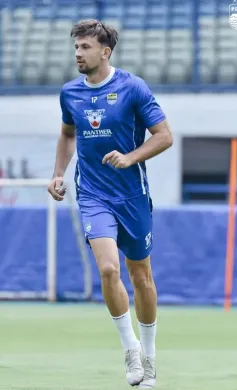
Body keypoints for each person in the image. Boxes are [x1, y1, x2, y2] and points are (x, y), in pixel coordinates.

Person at [47, 19, 173, 387]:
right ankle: (131, 349)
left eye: (84, 47)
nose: (77, 54)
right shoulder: (70, 93)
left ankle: (149, 355)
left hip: (132, 195)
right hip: (93, 194)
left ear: (105, 52)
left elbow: (164, 136)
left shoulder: (133, 87)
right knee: (107, 270)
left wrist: (130, 157)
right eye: (75, 47)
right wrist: (58, 173)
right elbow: (68, 135)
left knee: (142, 277)